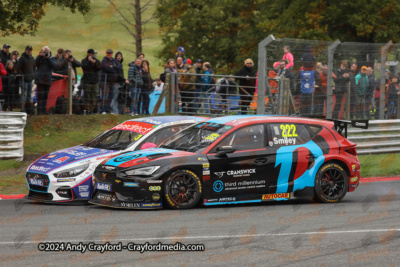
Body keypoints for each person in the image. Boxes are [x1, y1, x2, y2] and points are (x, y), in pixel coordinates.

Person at [100, 49, 121, 114]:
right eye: (108, 53)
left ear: (112, 54)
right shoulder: (104, 60)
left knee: (110, 96)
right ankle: (103, 110)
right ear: (106, 53)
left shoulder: (114, 60)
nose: (109, 54)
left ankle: (108, 110)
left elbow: (119, 66)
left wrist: (113, 67)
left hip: (112, 82)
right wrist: (114, 68)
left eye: (110, 53)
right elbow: (107, 68)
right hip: (105, 81)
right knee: (105, 96)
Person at [81, 49, 102, 114]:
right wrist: (90, 62)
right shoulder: (84, 61)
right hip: (87, 81)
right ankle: (86, 110)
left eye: (93, 54)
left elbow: (99, 68)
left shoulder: (97, 61)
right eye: (91, 54)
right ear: (88, 54)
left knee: (94, 96)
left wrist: (94, 62)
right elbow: (84, 68)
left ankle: (91, 110)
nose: (92, 55)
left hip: (94, 81)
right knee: (87, 96)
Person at [35, 46, 55, 115]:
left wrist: (47, 58)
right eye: (44, 51)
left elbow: (54, 66)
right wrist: (40, 56)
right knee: (40, 96)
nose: (46, 52)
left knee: (45, 96)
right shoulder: (39, 58)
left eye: (47, 51)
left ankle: (44, 110)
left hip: (47, 79)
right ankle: (39, 111)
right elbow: (35, 63)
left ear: (49, 51)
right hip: (40, 79)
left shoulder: (52, 58)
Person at [17, 45, 35, 112]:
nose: (29, 51)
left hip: (30, 79)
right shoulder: (22, 58)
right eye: (28, 50)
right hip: (24, 80)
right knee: (24, 95)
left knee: (29, 95)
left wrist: (33, 75)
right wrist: (22, 75)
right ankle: (22, 109)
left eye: (30, 50)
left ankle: (29, 109)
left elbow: (34, 67)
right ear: (26, 50)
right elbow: (18, 68)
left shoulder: (32, 58)